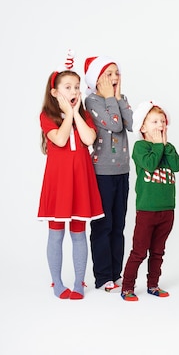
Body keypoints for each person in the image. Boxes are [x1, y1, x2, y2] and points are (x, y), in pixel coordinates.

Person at [37, 50, 104, 300]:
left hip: (80, 182)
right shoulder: (47, 117)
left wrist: (75, 113)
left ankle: (78, 282)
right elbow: (61, 138)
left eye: (77, 87)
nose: (74, 91)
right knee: (56, 234)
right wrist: (67, 116)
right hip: (58, 183)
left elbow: (88, 139)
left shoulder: (83, 115)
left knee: (79, 233)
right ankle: (57, 283)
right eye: (68, 87)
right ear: (55, 91)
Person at [120, 101, 179, 301]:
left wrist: (165, 146)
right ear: (142, 127)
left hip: (167, 210)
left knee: (158, 251)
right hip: (147, 210)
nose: (160, 125)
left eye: (162, 121)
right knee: (139, 251)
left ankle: (153, 285)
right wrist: (157, 146)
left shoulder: (167, 147)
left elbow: (178, 165)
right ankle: (127, 287)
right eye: (155, 121)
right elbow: (149, 164)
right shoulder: (140, 147)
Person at [84, 56, 133, 293]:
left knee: (119, 224)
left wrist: (118, 98)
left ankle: (116, 273)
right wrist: (113, 99)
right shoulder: (91, 101)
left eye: (116, 73)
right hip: (102, 173)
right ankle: (103, 277)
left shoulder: (120, 99)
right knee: (103, 225)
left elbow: (132, 123)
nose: (114, 78)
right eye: (108, 74)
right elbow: (114, 124)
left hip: (122, 171)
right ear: (97, 79)